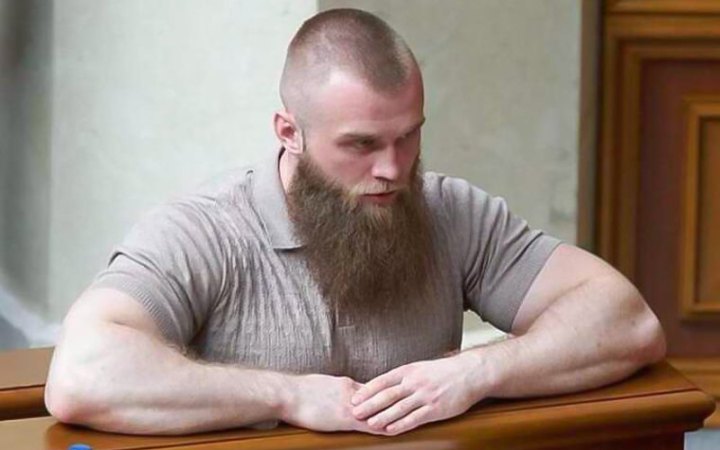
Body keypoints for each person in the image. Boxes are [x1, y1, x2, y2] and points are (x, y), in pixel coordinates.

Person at [44, 8, 665, 437]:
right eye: (361, 145)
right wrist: (287, 395)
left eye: (408, 137)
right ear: (289, 131)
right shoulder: (203, 232)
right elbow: (83, 375)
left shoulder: (449, 211)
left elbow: (626, 320)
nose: (392, 169)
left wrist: (477, 370)